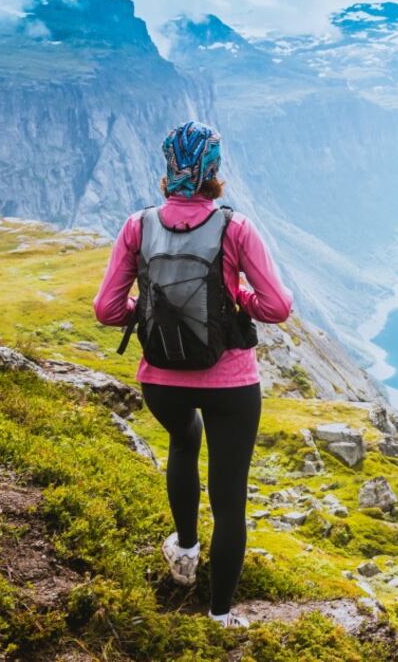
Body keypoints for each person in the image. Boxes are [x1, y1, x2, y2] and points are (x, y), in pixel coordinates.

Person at [93, 121, 293, 628]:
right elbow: (277, 306)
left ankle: (184, 550)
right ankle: (220, 615)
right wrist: (236, 299)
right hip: (231, 383)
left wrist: (146, 309)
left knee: (184, 443)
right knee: (230, 500)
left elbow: (106, 309)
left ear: (168, 170)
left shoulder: (138, 226)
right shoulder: (235, 227)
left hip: (160, 376)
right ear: (214, 172)